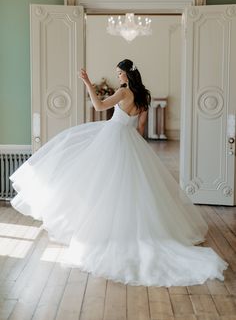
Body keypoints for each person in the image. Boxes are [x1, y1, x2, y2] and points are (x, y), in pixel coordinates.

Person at [10, 59, 227, 287]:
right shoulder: (143, 96)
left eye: (119, 73)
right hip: (131, 140)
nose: (118, 77)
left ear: (126, 74)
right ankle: (135, 228)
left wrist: (87, 83)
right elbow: (140, 128)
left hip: (113, 137)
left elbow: (99, 106)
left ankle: (105, 231)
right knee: (132, 188)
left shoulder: (124, 93)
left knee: (100, 182)